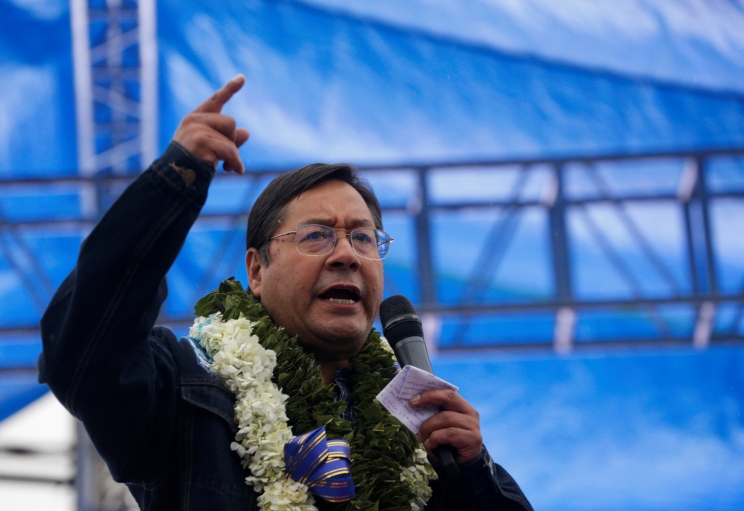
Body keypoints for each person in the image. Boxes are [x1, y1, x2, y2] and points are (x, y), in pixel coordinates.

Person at [39, 75, 533, 511]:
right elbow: (81, 347)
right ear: (256, 270)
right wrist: (177, 179)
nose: (347, 255)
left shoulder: (422, 429)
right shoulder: (183, 388)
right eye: (316, 235)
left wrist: (473, 475)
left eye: (363, 237)